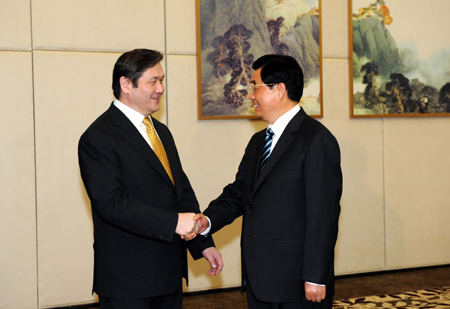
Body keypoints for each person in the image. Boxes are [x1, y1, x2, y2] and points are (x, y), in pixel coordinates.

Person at [194, 54, 342, 308]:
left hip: (296, 282)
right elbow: (240, 193)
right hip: (260, 278)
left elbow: (323, 214)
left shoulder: (315, 140)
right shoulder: (258, 141)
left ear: (280, 90)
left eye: (255, 87)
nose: (250, 95)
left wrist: (316, 276)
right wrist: (207, 221)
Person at [78, 48, 223, 309]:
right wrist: (173, 223)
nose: (160, 88)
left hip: (167, 274)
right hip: (127, 280)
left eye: (162, 80)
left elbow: (180, 190)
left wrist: (203, 243)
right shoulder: (98, 137)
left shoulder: (161, 131)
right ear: (126, 84)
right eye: (153, 81)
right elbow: (112, 203)